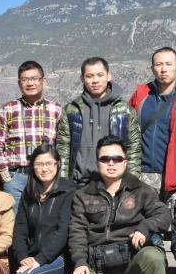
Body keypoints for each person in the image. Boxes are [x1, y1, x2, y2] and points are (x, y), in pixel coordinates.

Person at [63, 136, 171, 274]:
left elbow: (163, 215)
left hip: (131, 260)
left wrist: (144, 228)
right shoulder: (83, 195)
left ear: (125, 162)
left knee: (154, 256)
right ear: (97, 162)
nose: (111, 163)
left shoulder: (141, 190)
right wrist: (80, 261)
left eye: (117, 159)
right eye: (105, 159)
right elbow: (77, 231)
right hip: (99, 265)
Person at [129, 47, 176, 203]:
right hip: (140, 176)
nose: (163, 69)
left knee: (171, 219)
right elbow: (126, 133)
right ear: (152, 68)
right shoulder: (140, 96)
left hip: (174, 180)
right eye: (159, 64)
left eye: (169, 64)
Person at [12, 144, 78, 274]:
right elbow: (20, 229)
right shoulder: (29, 192)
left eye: (49, 163)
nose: (44, 169)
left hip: (59, 258)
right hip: (34, 258)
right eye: (39, 164)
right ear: (32, 166)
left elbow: (63, 232)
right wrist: (23, 256)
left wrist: (40, 259)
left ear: (58, 164)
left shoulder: (69, 190)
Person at [56, 57, 141, 186]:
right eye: (89, 76)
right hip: (78, 184)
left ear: (108, 76)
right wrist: (63, 183)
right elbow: (63, 150)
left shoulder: (124, 110)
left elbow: (133, 149)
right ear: (82, 78)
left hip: (114, 184)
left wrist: (131, 184)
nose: (95, 80)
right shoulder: (72, 110)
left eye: (100, 75)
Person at [0, 61, 62, 209]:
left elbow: (62, 144)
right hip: (16, 177)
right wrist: (4, 174)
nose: (30, 83)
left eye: (34, 78)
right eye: (25, 79)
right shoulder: (7, 109)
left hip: (46, 177)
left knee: (44, 219)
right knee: (16, 221)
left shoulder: (56, 110)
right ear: (19, 83)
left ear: (43, 81)